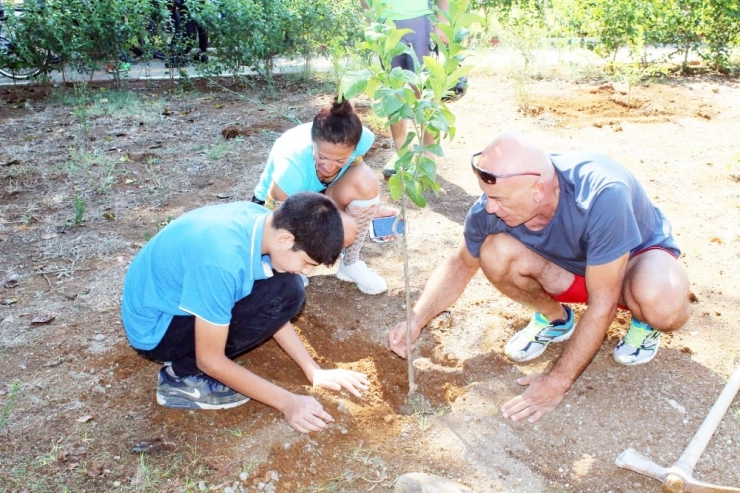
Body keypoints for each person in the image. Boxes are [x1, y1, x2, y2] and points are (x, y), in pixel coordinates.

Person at [388, 132, 691, 424]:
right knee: (494, 253)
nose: (490, 207)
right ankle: (556, 319)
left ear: (538, 191)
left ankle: (644, 323)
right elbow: (459, 265)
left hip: (632, 263)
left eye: (500, 199)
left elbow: (604, 301)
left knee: (660, 303)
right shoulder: (490, 209)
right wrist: (417, 317)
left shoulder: (602, 195)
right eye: (487, 196)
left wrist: (556, 382)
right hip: (574, 272)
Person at [121, 192, 369, 433]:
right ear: (285, 240)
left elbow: (275, 305)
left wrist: (313, 370)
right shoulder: (221, 263)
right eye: (307, 263)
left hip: (174, 300)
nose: (306, 271)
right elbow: (210, 359)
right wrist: (287, 402)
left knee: (289, 290)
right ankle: (179, 378)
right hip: (156, 330)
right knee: (288, 290)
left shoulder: (264, 223)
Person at [252, 98, 393, 295]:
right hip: (280, 208)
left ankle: (350, 263)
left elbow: (355, 168)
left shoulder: (363, 138)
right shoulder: (291, 168)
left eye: (340, 160)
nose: (328, 167)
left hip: (320, 197)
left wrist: (372, 208)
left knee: (365, 182)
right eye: (322, 157)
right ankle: (291, 270)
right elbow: (272, 223)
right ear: (313, 143)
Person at [360, 0, 449, 178]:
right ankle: (401, 153)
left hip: (421, 20)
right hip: (386, 24)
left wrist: (441, 21)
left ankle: (428, 154)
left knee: (423, 88)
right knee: (393, 90)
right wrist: (371, 19)